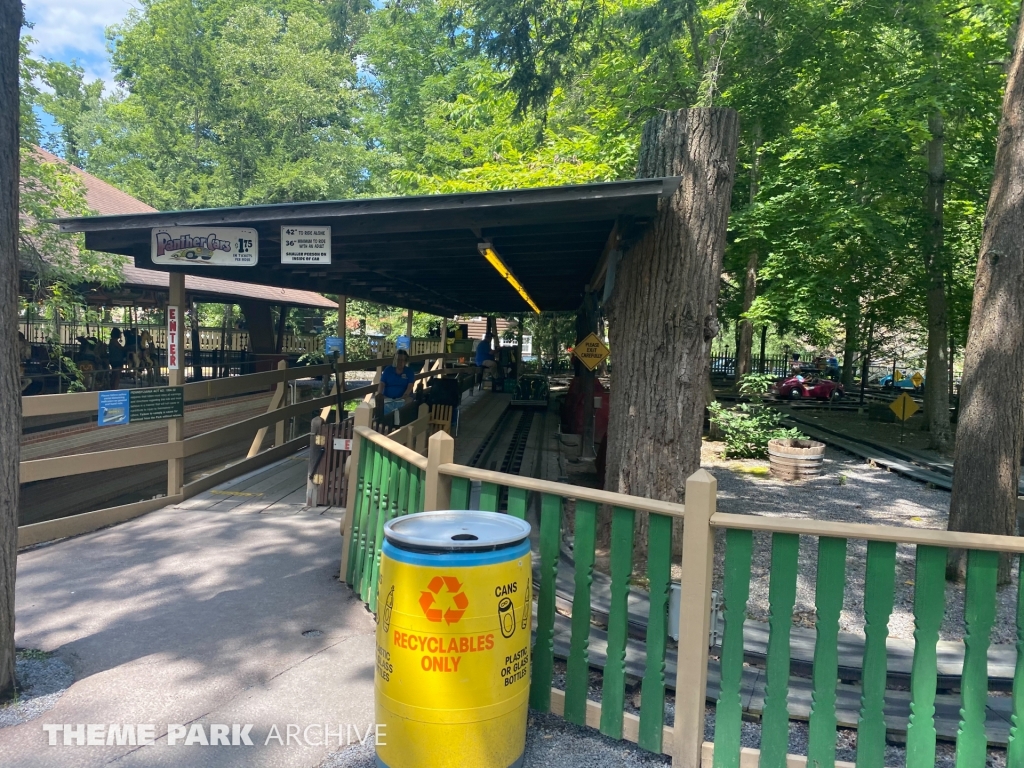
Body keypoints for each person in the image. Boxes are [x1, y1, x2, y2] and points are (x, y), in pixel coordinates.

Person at [377, 349, 416, 415]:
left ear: (405, 361)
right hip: (388, 398)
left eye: (402, 360)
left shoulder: (409, 371)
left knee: (408, 403)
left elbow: (410, 385)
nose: (400, 362)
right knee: (381, 404)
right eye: (398, 359)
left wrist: (405, 395)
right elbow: (382, 383)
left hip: (403, 398)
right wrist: (380, 393)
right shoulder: (388, 370)